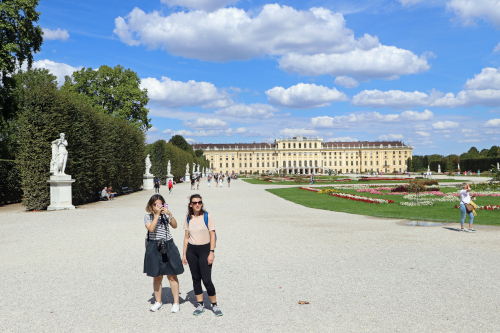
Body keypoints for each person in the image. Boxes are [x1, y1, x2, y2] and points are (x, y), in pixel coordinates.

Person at [182, 194, 222, 316]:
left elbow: (212, 235)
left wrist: (212, 252)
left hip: (205, 249)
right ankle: (200, 304)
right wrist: (184, 254)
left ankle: (214, 305)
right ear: (191, 205)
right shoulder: (188, 217)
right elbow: (186, 237)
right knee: (195, 278)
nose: (197, 204)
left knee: (207, 280)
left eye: (199, 202)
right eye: (195, 202)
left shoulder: (207, 216)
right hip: (191, 251)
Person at [143, 194, 184, 312]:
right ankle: (158, 301)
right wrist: (156, 215)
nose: (159, 207)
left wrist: (169, 214)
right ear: (151, 206)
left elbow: (175, 226)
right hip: (154, 247)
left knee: (172, 275)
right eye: (156, 205)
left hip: (168, 245)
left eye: (161, 204)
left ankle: (176, 303)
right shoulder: (148, 217)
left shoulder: (165, 216)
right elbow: (151, 229)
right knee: (157, 276)